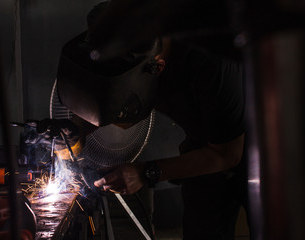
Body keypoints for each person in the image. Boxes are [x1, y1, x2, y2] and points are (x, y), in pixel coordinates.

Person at [56, 1, 248, 239]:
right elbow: (107, 95)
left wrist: (146, 173)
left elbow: (228, 154)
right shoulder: (130, 46)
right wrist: (75, 131)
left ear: (157, 66)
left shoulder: (210, 59)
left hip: (262, 147)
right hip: (205, 143)